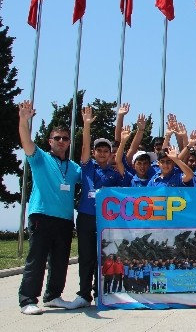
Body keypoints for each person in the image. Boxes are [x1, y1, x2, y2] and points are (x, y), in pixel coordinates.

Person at [17, 101, 81, 314]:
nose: (61, 141)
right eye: (57, 138)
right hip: (41, 216)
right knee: (36, 259)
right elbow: (26, 141)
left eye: (65, 138)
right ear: (49, 141)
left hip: (64, 219)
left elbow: (91, 177)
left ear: (69, 141)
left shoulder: (73, 167)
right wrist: (24, 120)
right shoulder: (40, 158)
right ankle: (27, 300)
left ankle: (53, 296)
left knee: (60, 261)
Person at [70, 106, 124, 310]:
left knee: (104, 258)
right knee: (86, 257)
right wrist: (86, 125)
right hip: (85, 217)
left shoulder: (114, 173)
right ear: (94, 153)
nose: (102, 153)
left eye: (106, 150)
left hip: (106, 221)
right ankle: (84, 295)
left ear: (110, 153)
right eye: (99, 150)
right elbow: (84, 147)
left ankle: (100, 293)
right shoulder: (87, 166)